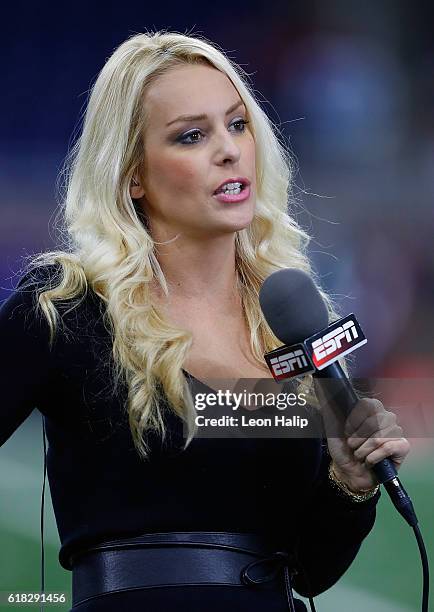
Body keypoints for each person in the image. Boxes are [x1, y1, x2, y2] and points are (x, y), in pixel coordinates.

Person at [0, 30, 410, 612]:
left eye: (237, 124)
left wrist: (349, 484)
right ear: (133, 173)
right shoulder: (66, 309)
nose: (228, 149)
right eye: (192, 135)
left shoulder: (288, 322)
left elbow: (312, 570)